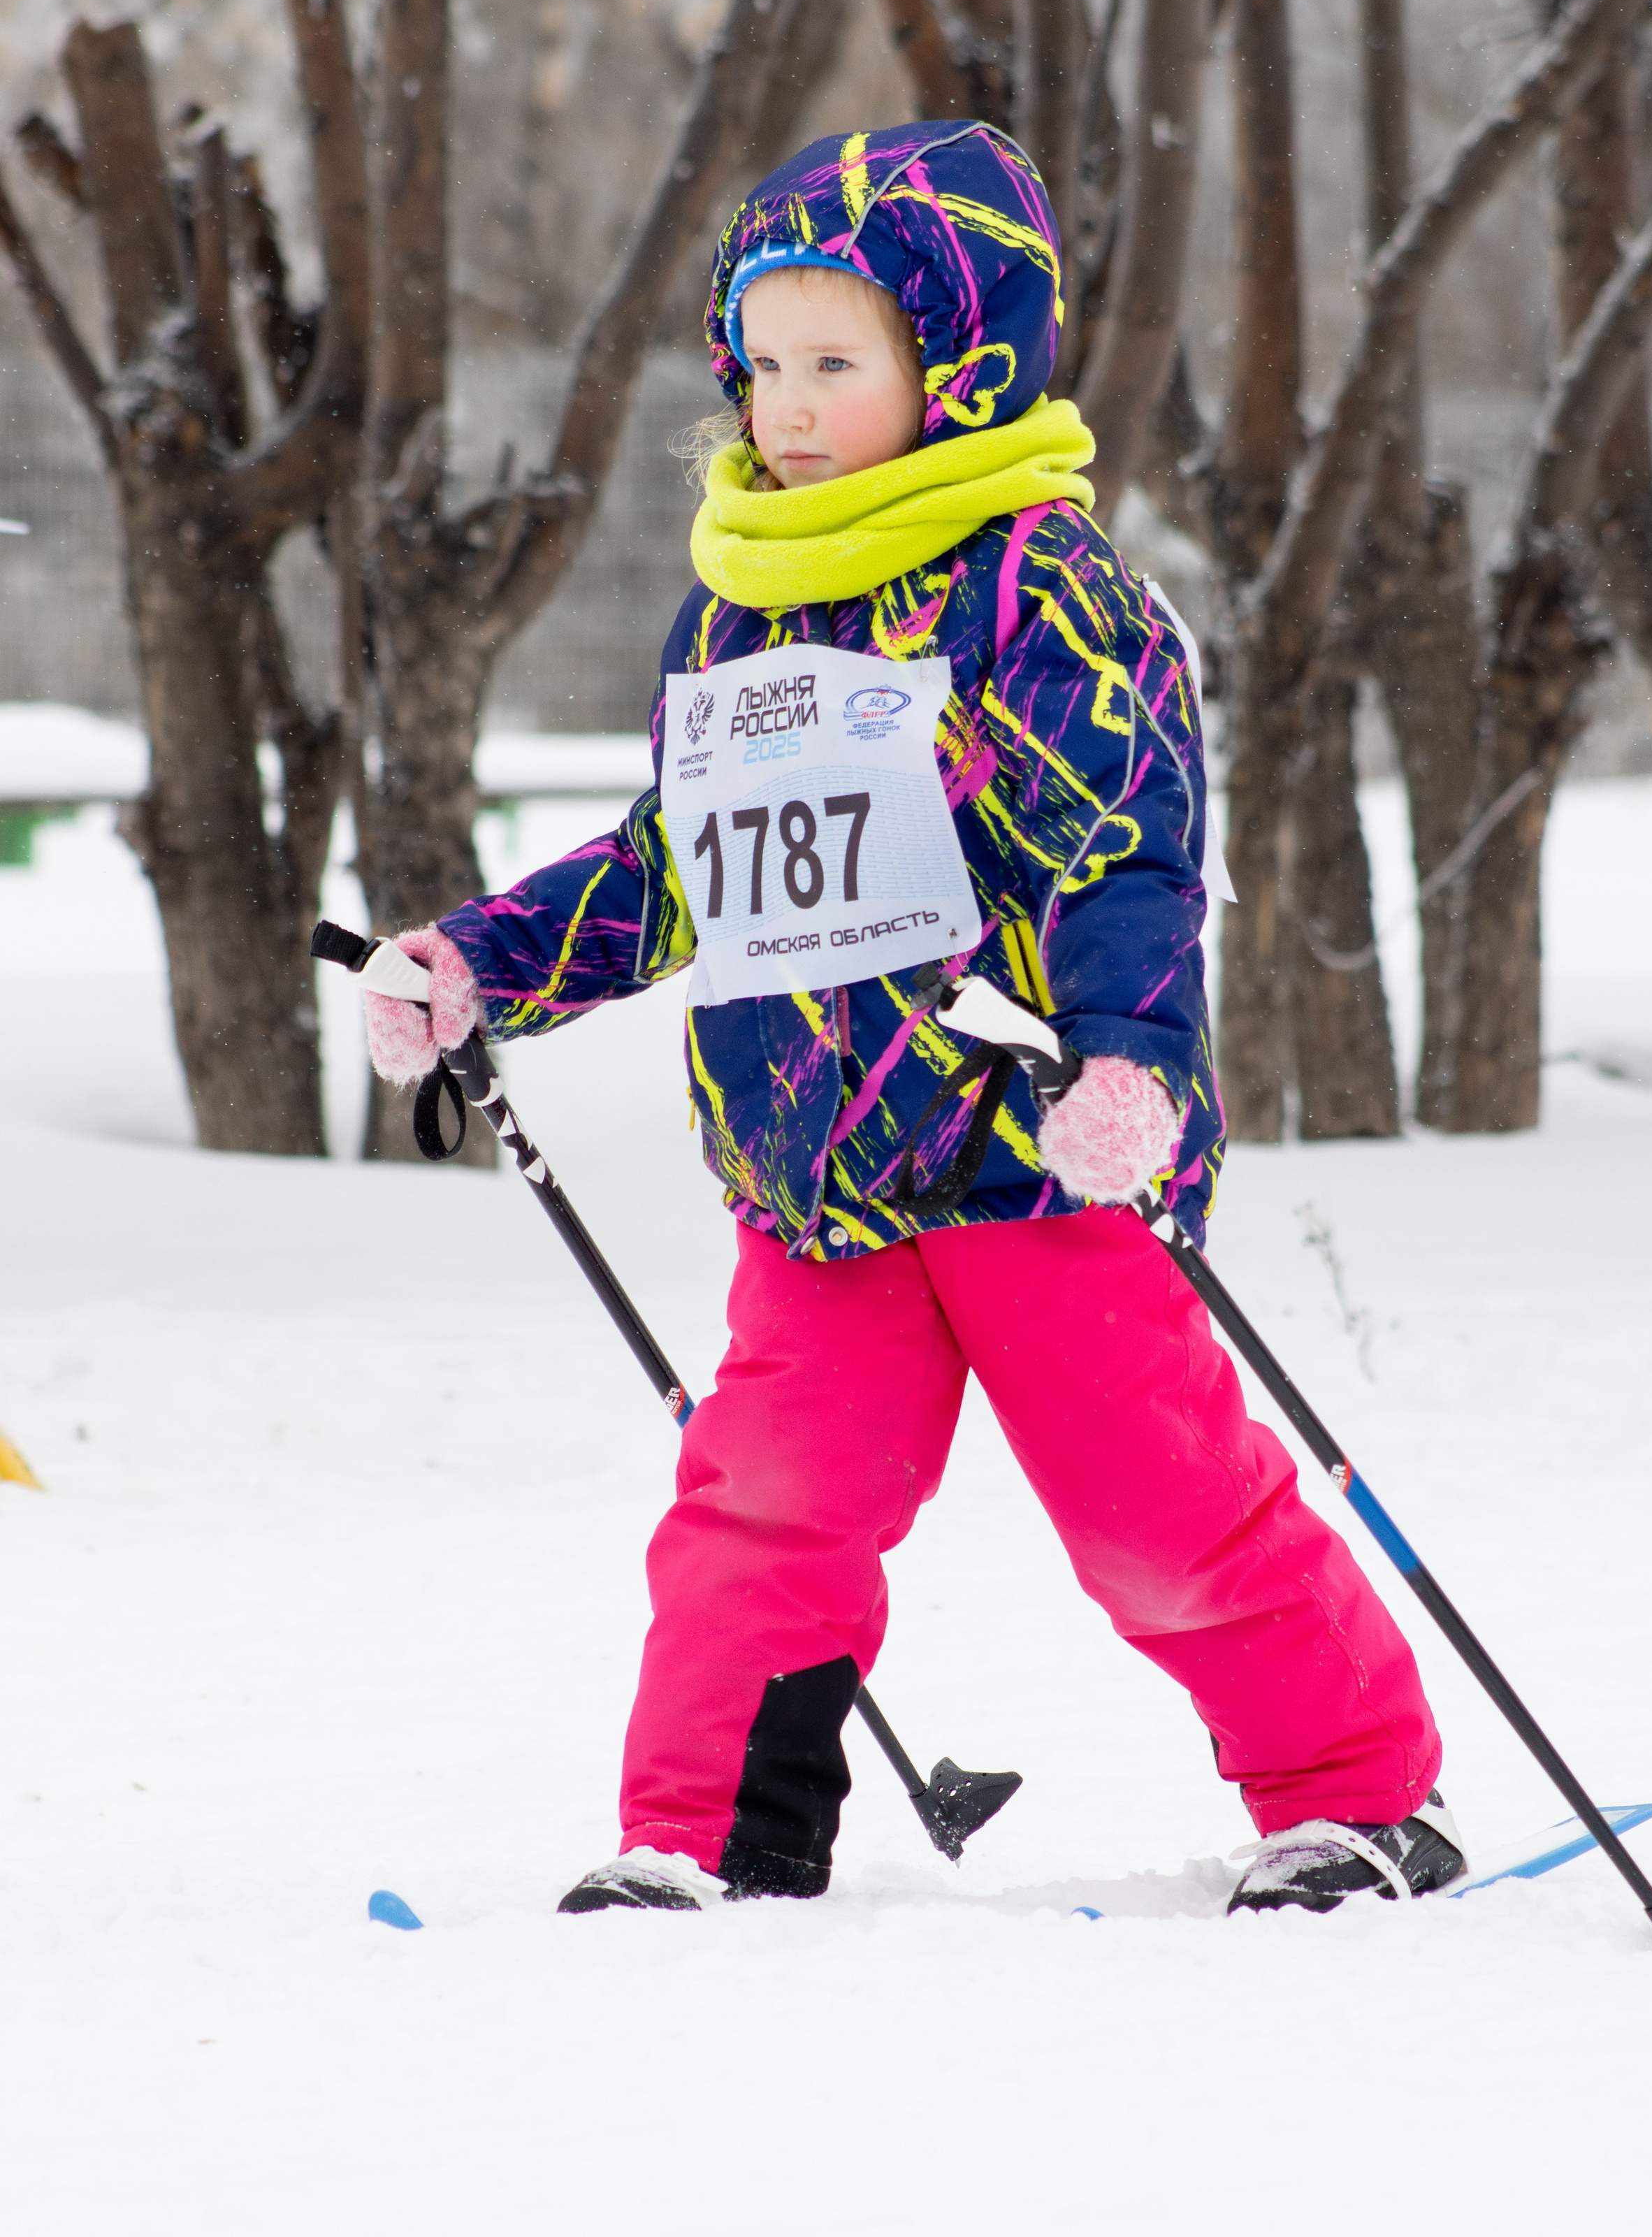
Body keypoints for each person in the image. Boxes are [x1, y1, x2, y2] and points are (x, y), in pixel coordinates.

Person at [363, 120, 1463, 1920]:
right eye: (762, 365)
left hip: (1032, 1153)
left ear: (957, 365)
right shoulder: (741, 603)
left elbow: (1128, 849)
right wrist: (482, 960)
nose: (784, 407)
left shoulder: (1045, 588)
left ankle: (1355, 1797)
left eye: (834, 362)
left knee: (1157, 1517)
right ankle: (711, 1834)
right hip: (820, 1175)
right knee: (762, 1510)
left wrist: (1132, 1063)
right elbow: (679, 866)